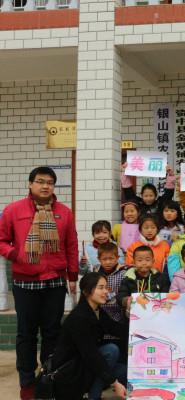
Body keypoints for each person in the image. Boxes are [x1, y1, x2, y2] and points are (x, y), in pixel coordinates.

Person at [0, 166, 78, 400]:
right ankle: (27, 382)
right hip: (25, 281)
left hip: (54, 280)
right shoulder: (13, 210)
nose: (45, 186)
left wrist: (72, 276)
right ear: (30, 184)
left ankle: (48, 377)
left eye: (50, 182)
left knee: (52, 332)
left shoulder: (64, 212)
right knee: (26, 334)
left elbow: (71, 244)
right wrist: (16, 255)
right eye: (40, 181)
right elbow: (2, 240)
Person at [51, 273, 127, 400]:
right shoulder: (79, 318)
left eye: (106, 287)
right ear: (86, 291)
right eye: (101, 288)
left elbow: (118, 330)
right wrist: (114, 383)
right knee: (111, 350)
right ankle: (93, 397)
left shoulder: (97, 311)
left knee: (125, 371)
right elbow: (91, 356)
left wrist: (144, 328)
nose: (106, 292)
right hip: (72, 371)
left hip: (86, 364)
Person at [117, 246, 169, 311]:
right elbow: (120, 297)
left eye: (147, 260)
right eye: (140, 260)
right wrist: (126, 300)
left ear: (153, 261)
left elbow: (166, 296)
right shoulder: (128, 279)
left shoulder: (160, 278)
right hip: (134, 313)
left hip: (156, 312)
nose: (144, 263)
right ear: (134, 262)